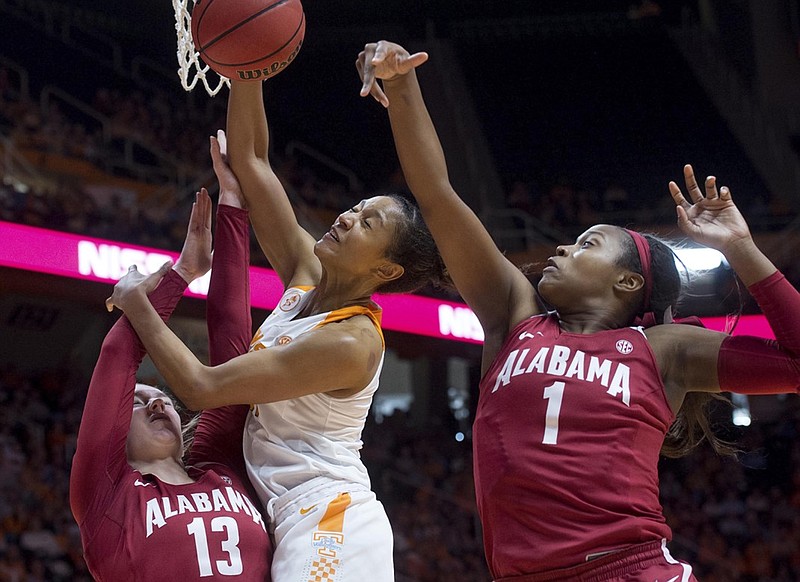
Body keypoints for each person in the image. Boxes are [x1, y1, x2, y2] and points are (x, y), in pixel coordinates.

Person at [357, 40, 800, 581]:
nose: (563, 247)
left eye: (587, 243)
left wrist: (742, 250)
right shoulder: (513, 315)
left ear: (628, 281)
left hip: (629, 569)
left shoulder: (664, 349)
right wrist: (402, 87)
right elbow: (437, 194)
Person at [103, 78, 448, 581]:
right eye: (357, 208)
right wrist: (248, 70)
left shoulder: (352, 341)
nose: (349, 217)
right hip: (281, 516)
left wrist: (140, 305)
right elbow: (252, 161)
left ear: (386, 271)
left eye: (369, 224)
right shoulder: (308, 274)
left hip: (331, 517)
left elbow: (202, 388)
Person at [70, 145, 273, 580]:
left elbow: (232, 352)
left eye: (163, 397)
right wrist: (180, 274)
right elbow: (117, 356)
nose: (158, 403)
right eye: (140, 400)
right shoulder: (106, 494)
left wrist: (234, 201)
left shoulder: (220, 469)